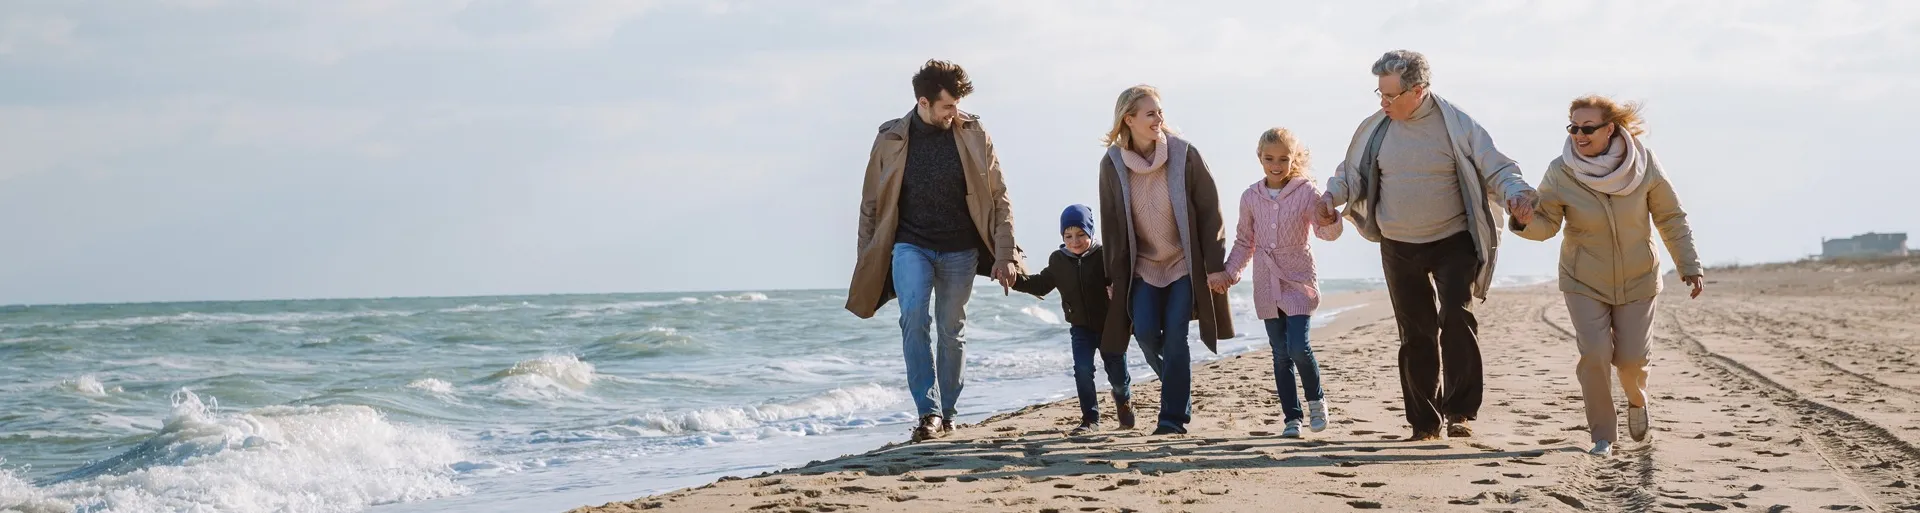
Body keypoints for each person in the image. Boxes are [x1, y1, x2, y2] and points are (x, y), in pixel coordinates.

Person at [1321, 50, 1538, 441]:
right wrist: (1329, 197)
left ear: (1417, 91)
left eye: (1391, 96)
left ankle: (1461, 412)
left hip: (1453, 240)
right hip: (1398, 243)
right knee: (1415, 332)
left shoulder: (1456, 124)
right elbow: (1349, 173)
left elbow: (1499, 168)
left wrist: (1517, 194)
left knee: (1456, 318)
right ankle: (1424, 424)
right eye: (1379, 94)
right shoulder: (1376, 128)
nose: (1383, 103)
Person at [1512, 95, 1704, 457]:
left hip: (1639, 276)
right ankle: (1603, 435)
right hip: (1583, 277)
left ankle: (1636, 399)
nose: (1579, 136)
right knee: (1596, 354)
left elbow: (1670, 217)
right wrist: (1523, 221)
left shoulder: (1644, 164)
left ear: (1610, 129)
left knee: (1631, 360)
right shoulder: (1561, 170)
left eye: (1588, 128)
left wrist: (1689, 265)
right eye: (1573, 128)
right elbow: (1547, 225)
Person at [847, 60, 1026, 442]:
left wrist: (1006, 253)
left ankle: (949, 412)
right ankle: (927, 413)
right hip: (910, 245)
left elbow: (999, 197)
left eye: (957, 105)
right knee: (913, 319)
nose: (954, 113)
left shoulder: (974, 134)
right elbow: (870, 204)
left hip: (961, 249)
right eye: (947, 107)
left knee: (951, 329)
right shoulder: (890, 139)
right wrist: (868, 260)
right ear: (924, 102)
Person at [1096, 84, 1235, 436]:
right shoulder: (1112, 164)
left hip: (1183, 265)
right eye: (1150, 113)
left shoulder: (1184, 155)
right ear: (1129, 119)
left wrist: (1215, 263)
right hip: (1143, 267)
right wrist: (1112, 276)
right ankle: (1177, 381)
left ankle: (1172, 419)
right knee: (1143, 330)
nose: (1159, 119)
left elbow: (1210, 212)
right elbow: (1111, 224)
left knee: (1175, 335)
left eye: (1160, 112)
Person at [1223, 128, 1343, 438]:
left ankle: (1316, 401)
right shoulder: (1250, 197)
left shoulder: (1306, 192)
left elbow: (1323, 232)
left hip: (1298, 278)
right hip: (1265, 280)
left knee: (1298, 347)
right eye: (1269, 158)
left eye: (1284, 159)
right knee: (1280, 353)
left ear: (1294, 159)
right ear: (1259, 157)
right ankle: (1293, 418)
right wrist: (1229, 273)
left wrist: (1330, 219)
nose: (1276, 165)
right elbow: (1244, 241)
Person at [1012, 205, 1135, 435]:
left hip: (1111, 327)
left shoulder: (1105, 255)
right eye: (1068, 236)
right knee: (1082, 369)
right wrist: (1013, 280)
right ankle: (1090, 419)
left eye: (1080, 235)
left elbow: (1123, 279)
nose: (1074, 241)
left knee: (1117, 375)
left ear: (1091, 232)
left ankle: (1123, 400)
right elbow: (1040, 284)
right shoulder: (1058, 260)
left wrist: (1117, 289)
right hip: (1080, 328)